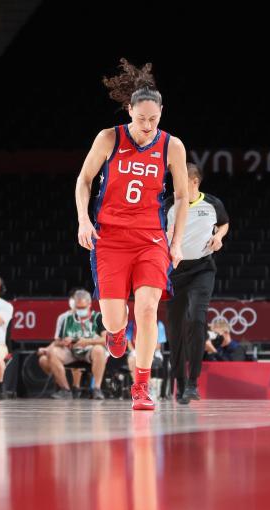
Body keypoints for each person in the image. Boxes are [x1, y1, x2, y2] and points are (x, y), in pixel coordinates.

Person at [75, 58, 189, 410]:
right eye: (141, 118)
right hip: (109, 237)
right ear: (129, 111)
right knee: (114, 318)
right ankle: (113, 334)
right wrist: (83, 219)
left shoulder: (172, 145)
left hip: (150, 238)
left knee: (147, 308)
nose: (147, 125)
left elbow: (183, 195)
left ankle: (141, 386)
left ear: (161, 113)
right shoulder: (109, 137)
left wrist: (177, 240)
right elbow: (84, 180)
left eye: (153, 119)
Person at [165, 163, 230, 403]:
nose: (175, 186)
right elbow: (155, 235)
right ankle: (180, 385)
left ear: (194, 182)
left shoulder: (213, 204)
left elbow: (224, 223)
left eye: (179, 181)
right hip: (174, 273)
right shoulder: (168, 206)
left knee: (196, 318)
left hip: (202, 269)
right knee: (175, 331)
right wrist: (165, 236)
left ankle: (193, 383)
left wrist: (219, 236)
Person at [47, 291, 108, 400]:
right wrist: (64, 342)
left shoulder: (98, 317)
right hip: (71, 350)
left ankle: (96, 389)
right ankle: (65, 389)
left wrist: (87, 342)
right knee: (52, 352)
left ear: (89, 304)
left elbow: (106, 340)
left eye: (83, 307)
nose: (80, 310)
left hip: (90, 350)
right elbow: (57, 341)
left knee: (99, 350)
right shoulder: (67, 319)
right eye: (78, 307)